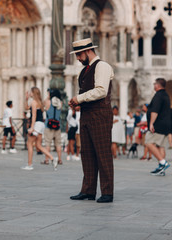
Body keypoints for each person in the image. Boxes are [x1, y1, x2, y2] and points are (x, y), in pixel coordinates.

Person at [68, 38, 114, 203]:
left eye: (79, 54)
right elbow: (90, 94)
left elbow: (101, 91)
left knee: (102, 153)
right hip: (87, 114)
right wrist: (80, 104)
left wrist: (79, 98)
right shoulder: (84, 70)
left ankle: (107, 192)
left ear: (88, 51)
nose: (78, 58)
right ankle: (88, 190)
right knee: (86, 153)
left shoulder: (102, 66)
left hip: (100, 115)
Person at [22, 87, 54, 170]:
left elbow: (34, 116)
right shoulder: (39, 102)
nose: (29, 93)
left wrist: (32, 128)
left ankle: (29, 165)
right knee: (38, 145)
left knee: (29, 144)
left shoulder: (33, 102)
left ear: (33, 93)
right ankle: (52, 158)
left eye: (30, 92)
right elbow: (26, 108)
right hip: (41, 124)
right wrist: (26, 99)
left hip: (36, 124)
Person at [145, 78, 171, 176]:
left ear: (158, 85)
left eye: (154, 84)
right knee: (161, 146)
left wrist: (151, 123)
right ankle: (161, 168)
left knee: (148, 142)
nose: (153, 85)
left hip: (158, 124)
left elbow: (154, 111)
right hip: (166, 125)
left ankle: (163, 163)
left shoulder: (158, 96)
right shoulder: (166, 95)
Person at [42, 89, 62, 165]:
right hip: (57, 125)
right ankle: (60, 159)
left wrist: (48, 96)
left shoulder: (48, 102)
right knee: (58, 144)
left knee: (48, 143)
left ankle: (47, 160)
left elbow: (43, 104)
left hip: (49, 125)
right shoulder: (60, 103)